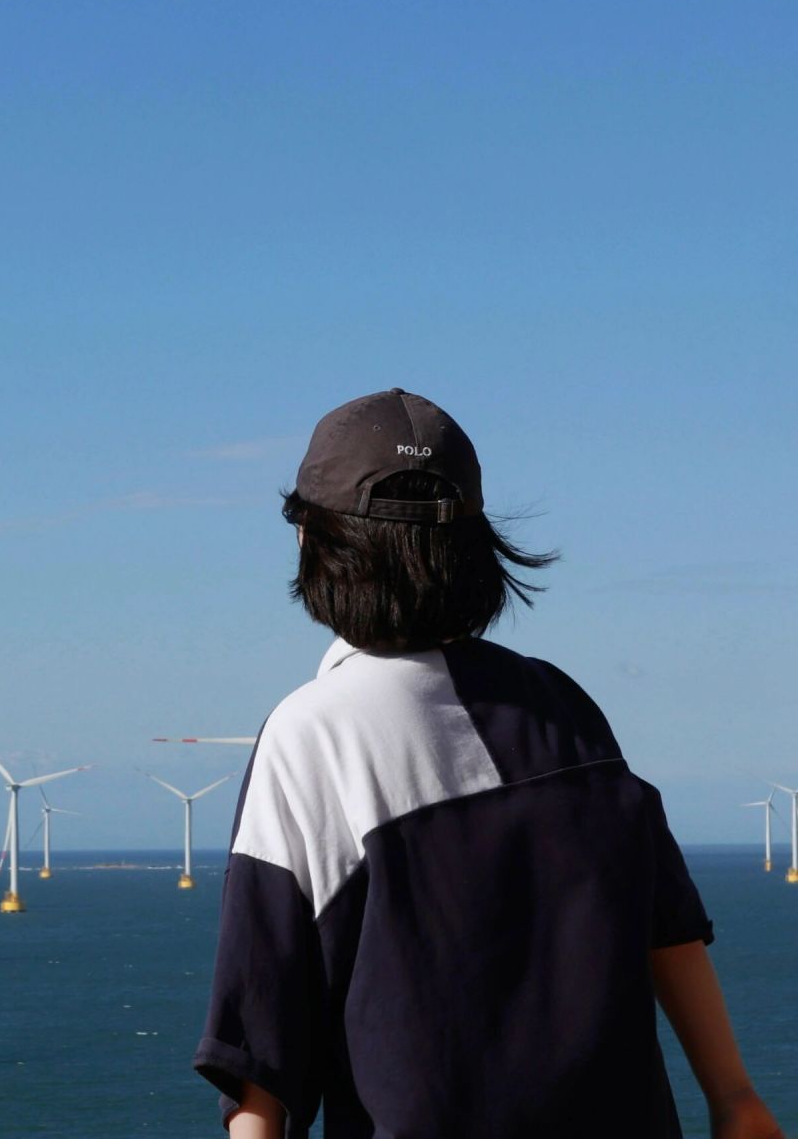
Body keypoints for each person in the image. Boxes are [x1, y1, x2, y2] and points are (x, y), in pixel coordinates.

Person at [192, 389, 781, 1139]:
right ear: (477, 547)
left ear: (315, 544)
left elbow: (259, 1052)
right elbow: (669, 928)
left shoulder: (312, 732)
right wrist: (735, 1098)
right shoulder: (561, 704)